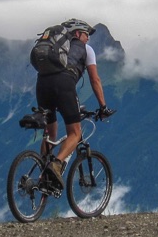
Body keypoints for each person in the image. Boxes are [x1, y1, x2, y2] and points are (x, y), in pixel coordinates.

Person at [35, 19, 110, 187]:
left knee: (50, 133)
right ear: (77, 33)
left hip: (42, 85)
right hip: (64, 85)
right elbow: (95, 79)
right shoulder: (86, 50)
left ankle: (42, 174)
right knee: (75, 133)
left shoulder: (55, 50)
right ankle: (56, 164)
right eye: (86, 34)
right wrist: (103, 107)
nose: (88, 39)